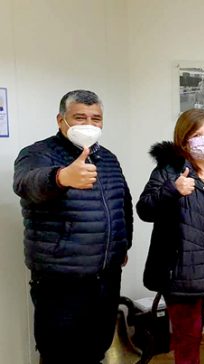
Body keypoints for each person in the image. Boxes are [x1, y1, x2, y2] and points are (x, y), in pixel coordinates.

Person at [13, 90, 133, 363]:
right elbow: (26, 184)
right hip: (61, 279)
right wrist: (61, 177)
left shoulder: (108, 158)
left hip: (105, 276)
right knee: (59, 352)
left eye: (96, 118)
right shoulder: (38, 153)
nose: (88, 124)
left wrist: (123, 246)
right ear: (61, 120)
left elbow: (121, 204)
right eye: (80, 117)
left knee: (97, 347)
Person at [137, 108, 204, 364]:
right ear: (184, 139)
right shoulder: (170, 170)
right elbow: (145, 209)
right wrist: (172, 190)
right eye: (198, 134)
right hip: (182, 272)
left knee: (196, 335)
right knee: (188, 341)